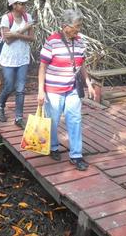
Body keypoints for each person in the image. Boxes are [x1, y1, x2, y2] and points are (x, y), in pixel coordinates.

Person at [37, 9, 96, 171]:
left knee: (75, 119)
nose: (79, 29)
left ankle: (76, 155)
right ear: (65, 26)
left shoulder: (79, 42)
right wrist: (41, 91)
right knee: (54, 120)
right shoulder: (52, 41)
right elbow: (42, 67)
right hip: (53, 88)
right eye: (76, 26)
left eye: (80, 25)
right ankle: (54, 146)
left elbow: (81, 64)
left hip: (72, 88)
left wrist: (88, 84)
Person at [0, 0, 35, 128]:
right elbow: (7, 40)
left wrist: (15, 33)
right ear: (13, 5)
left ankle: (19, 117)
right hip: (8, 58)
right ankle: (0, 105)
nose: (24, 5)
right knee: (9, 85)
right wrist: (23, 29)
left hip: (23, 57)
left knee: (20, 89)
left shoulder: (28, 17)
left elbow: (32, 38)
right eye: (21, 3)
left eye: (24, 3)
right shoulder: (6, 18)